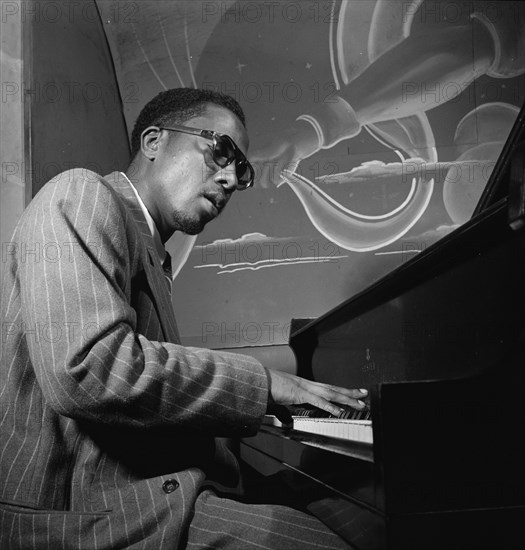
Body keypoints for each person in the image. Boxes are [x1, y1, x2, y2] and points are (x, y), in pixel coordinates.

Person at [0, 88, 367, 549]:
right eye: (221, 151)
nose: (231, 178)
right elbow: (89, 370)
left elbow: (151, 411)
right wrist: (263, 385)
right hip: (81, 518)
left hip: (136, 497)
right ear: (154, 142)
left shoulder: (154, 256)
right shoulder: (81, 195)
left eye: (242, 169)